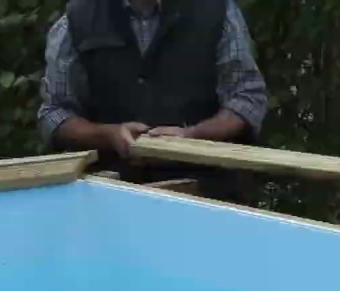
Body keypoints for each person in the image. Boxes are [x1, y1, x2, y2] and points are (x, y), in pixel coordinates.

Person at [37, 0, 269, 200]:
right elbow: (55, 113)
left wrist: (194, 135)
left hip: (206, 197)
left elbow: (247, 98)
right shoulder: (78, 18)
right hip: (111, 197)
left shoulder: (217, 10)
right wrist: (108, 135)